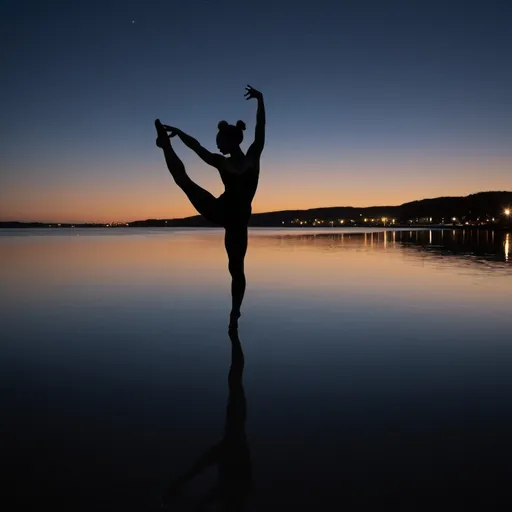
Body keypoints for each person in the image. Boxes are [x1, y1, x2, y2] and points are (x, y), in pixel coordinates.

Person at [155, 85, 265, 330]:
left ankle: (235, 311)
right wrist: (180, 133)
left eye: (219, 142)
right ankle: (235, 311)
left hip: (229, 217)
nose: (217, 146)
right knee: (236, 269)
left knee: (235, 268)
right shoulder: (251, 159)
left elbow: (259, 128)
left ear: (229, 140)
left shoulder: (237, 160)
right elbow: (197, 147)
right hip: (227, 213)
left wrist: (260, 100)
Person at [162, 329, 251, 511]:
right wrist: (182, 484)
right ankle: (234, 329)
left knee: (235, 380)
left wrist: (181, 484)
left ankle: (234, 328)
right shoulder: (236, 489)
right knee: (235, 381)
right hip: (234, 436)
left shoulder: (233, 490)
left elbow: (203, 468)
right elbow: (204, 470)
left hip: (232, 438)